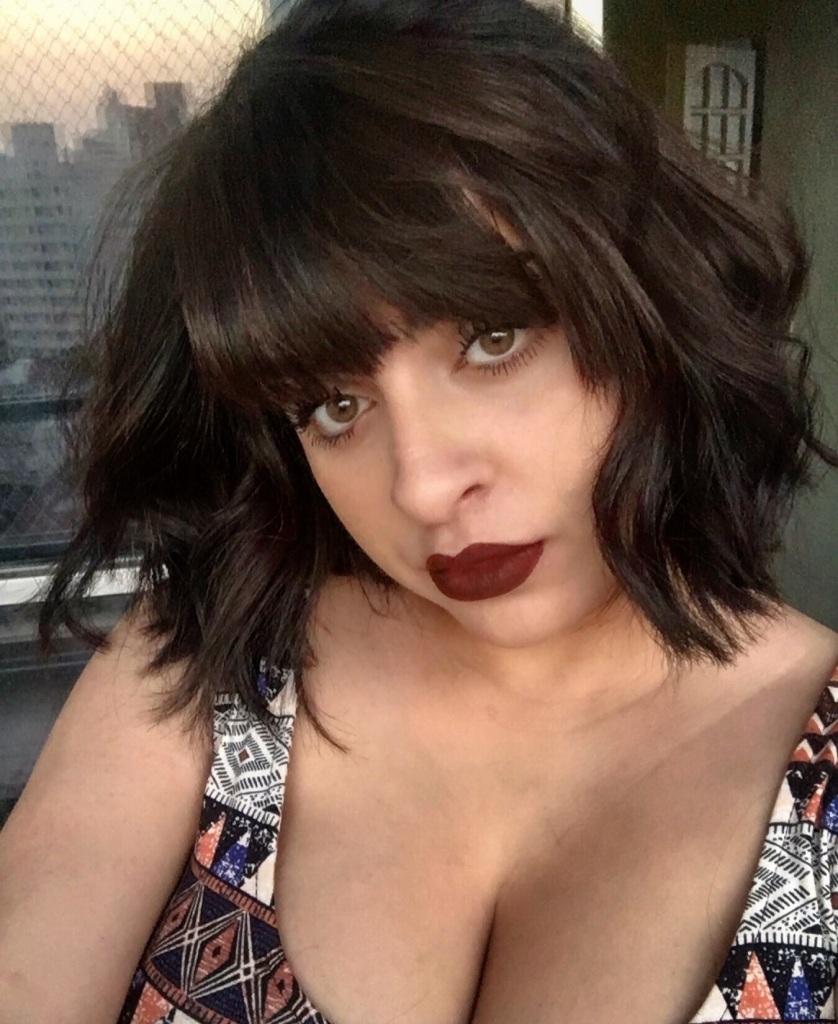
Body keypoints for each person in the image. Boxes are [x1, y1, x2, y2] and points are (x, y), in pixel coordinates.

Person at [1, 0, 837, 1021]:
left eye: (493, 340)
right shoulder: (205, 666)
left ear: (651, 303)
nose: (421, 487)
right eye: (333, 404)